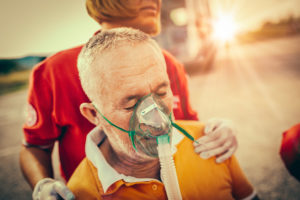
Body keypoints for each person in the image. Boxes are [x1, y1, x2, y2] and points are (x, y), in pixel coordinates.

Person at [20, 0, 238, 199]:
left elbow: (189, 126)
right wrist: (43, 185)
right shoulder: (53, 72)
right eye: (131, 103)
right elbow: (34, 145)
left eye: (161, 93)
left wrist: (216, 132)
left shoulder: (170, 64)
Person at [67, 28, 258, 200]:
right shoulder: (82, 193)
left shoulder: (211, 143)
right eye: (132, 105)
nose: (157, 119)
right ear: (94, 115)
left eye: (161, 93)